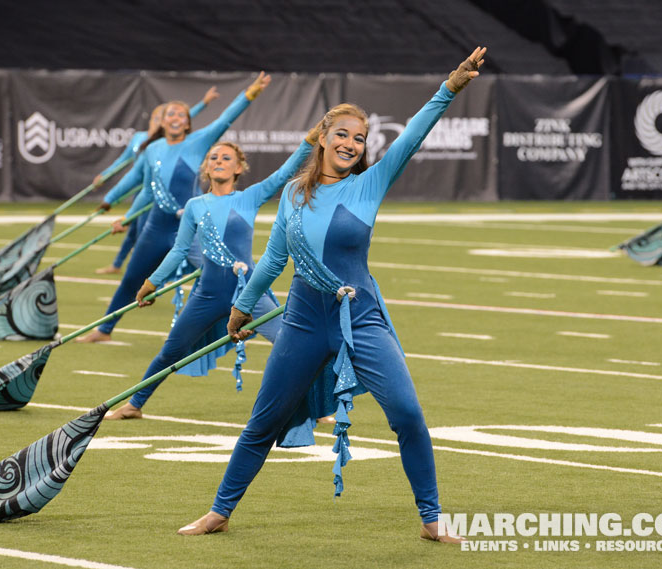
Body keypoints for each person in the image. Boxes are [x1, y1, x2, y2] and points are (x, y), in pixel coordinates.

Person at [176, 47, 486, 543]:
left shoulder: (368, 186)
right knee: (263, 420)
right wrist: (238, 309)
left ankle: (432, 519)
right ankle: (219, 511)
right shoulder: (294, 198)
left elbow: (413, 134)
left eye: (359, 138)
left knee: (407, 413)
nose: (350, 143)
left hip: (359, 317)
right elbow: (274, 262)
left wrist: (450, 87)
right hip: (301, 320)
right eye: (341, 133)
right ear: (321, 137)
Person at [106, 125, 320, 420]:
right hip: (207, 294)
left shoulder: (250, 197)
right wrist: (151, 283)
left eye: (226, 158)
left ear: (239, 167)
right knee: (171, 351)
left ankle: (317, 407)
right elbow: (180, 251)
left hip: (248, 293)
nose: (219, 161)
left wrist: (307, 142)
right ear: (205, 167)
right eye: (214, 158)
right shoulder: (194, 206)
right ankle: (134, 405)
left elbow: (284, 174)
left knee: (290, 344)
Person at [76, 73, 271, 344]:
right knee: (132, 278)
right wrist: (116, 205)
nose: (176, 118)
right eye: (171, 114)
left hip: (191, 229)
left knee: (230, 270)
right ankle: (104, 330)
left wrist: (250, 94)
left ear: (188, 121)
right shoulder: (153, 149)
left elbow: (226, 118)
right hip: (156, 227)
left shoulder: (199, 142)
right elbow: (145, 188)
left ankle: (262, 317)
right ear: (163, 121)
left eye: (182, 114)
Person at [93, 87, 220, 275]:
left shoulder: (170, 143)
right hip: (147, 193)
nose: (158, 122)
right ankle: (125, 267)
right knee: (137, 233)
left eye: (160, 119)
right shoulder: (141, 140)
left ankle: (173, 274)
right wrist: (107, 183)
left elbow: (186, 116)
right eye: (155, 118)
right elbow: (126, 168)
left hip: (173, 199)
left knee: (181, 239)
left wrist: (204, 103)